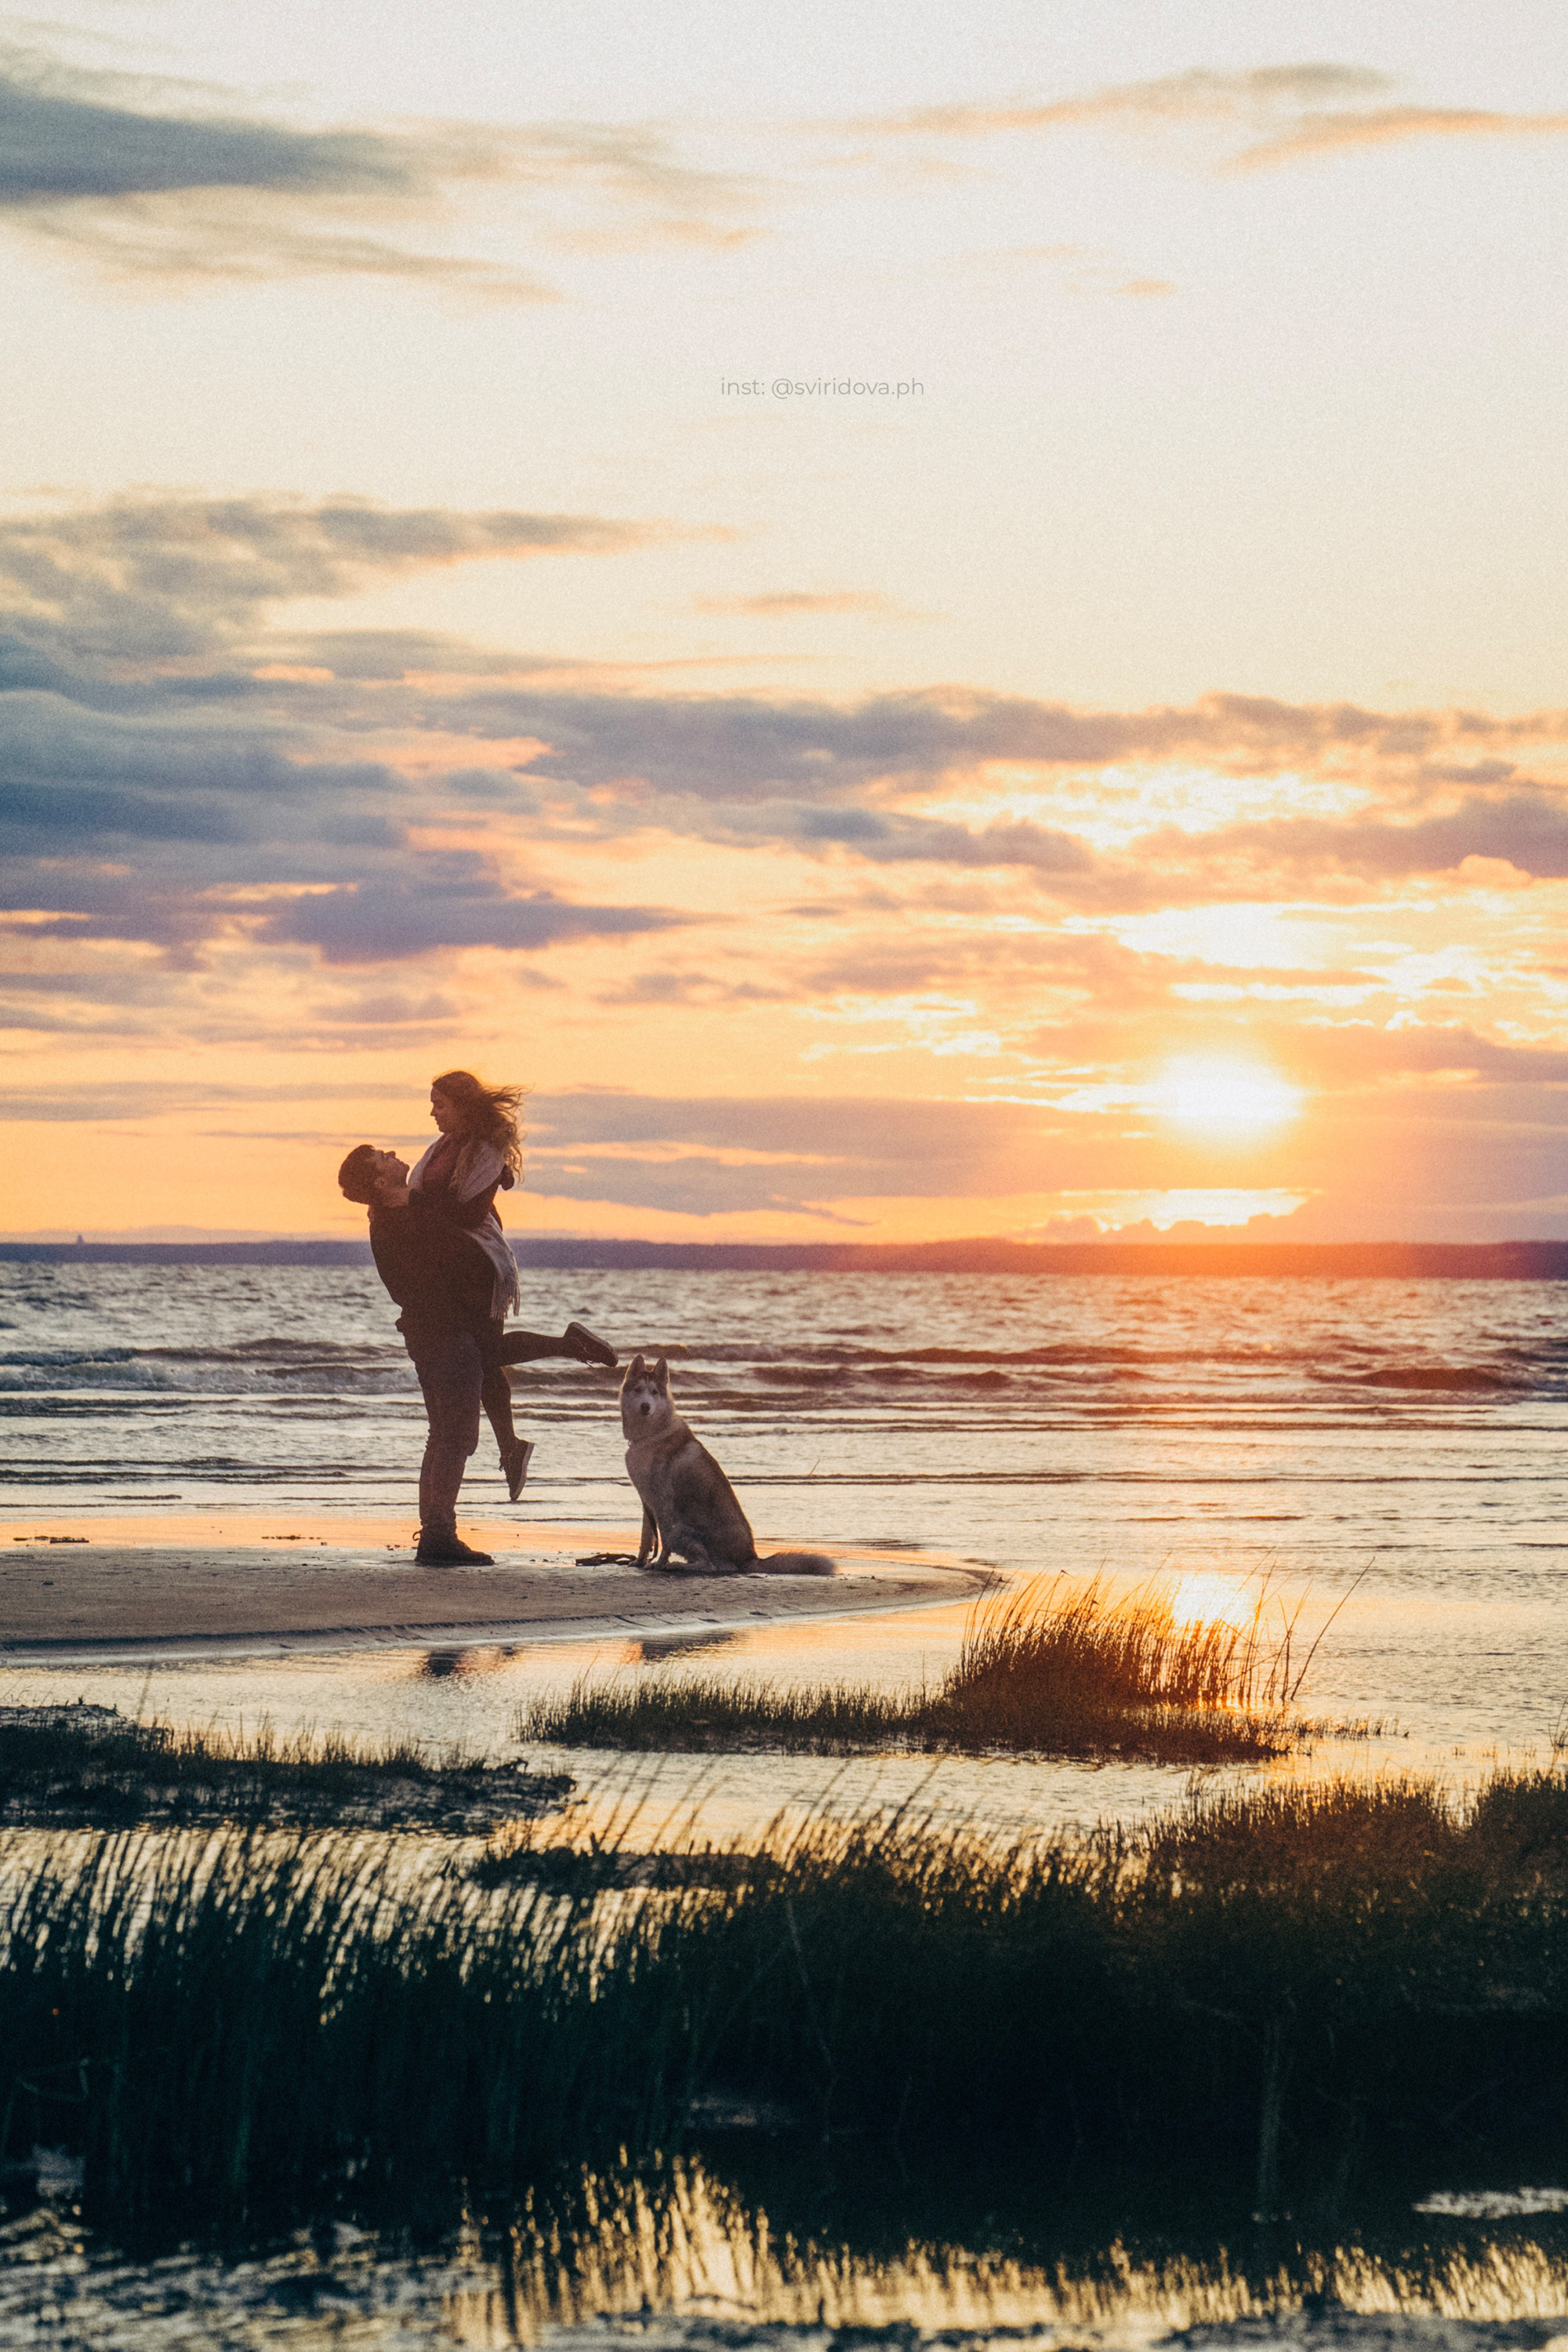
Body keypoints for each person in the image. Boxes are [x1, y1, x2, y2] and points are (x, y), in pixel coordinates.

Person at [338, 1098, 614, 1569]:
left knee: (444, 1434)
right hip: (442, 1335)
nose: (390, 1154)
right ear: (380, 1182)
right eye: (381, 1157)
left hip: (441, 1333)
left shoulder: (402, 1212)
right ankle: (439, 1538)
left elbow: (458, 1212)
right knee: (455, 1438)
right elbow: (449, 1242)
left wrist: (491, 1181)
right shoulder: (401, 1219)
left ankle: (436, 1535)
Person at [405, 1069, 615, 1498]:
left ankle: (566, 1348)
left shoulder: (487, 1151)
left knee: (488, 1355)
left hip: (479, 1265)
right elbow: (426, 1201)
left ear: (461, 1106)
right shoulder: (445, 1146)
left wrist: (413, 1204)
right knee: (485, 1359)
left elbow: (465, 1214)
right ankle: (512, 1446)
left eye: (439, 1104)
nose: (432, 1111)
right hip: (450, 1267)